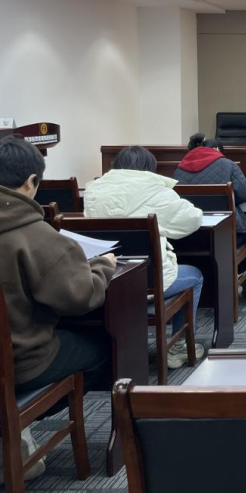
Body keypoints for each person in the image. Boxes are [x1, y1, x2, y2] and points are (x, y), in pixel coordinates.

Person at [0, 137, 117, 481]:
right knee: (105, 349)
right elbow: (80, 298)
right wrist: (103, 266)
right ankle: (14, 428)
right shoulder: (33, 235)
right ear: (31, 182)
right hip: (21, 362)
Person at [83, 146, 206, 368]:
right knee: (195, 275)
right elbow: (192, 219)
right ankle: (178, 347)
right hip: (147, 283)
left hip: (107, 279)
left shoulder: (93, 191)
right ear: (150, 167)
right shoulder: (157, 191)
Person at [173, 133, 246, 248]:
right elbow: (244, 195)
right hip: (227, 230)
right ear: (216, 149)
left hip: (189, 231)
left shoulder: (179, 169)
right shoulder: (228, 164)